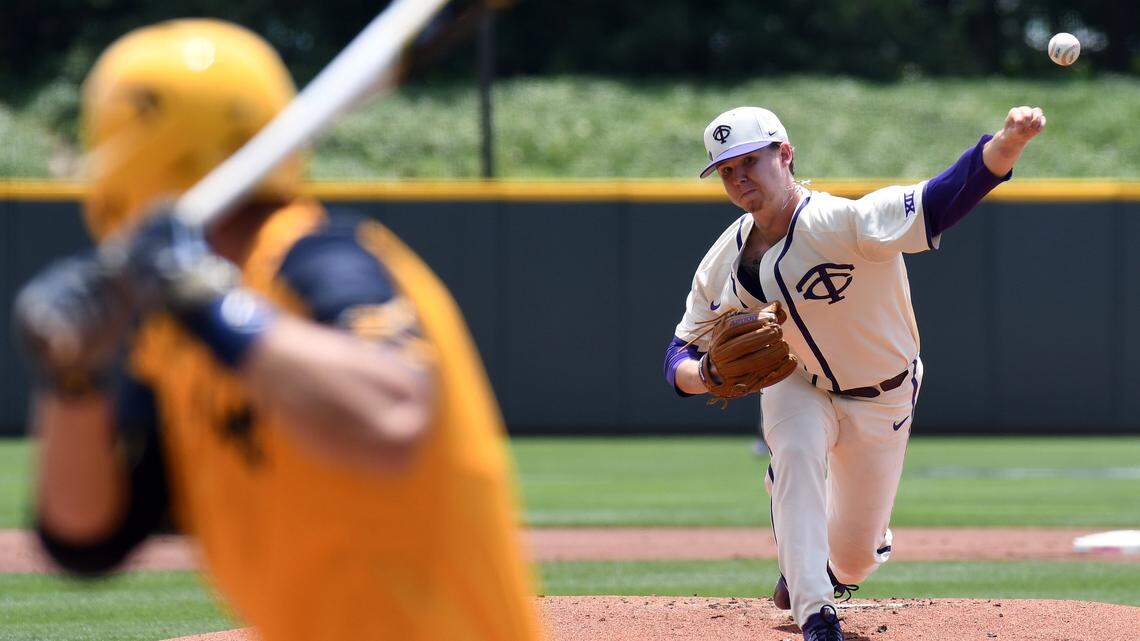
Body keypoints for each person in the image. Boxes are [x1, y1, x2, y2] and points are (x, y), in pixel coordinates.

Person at [15, 19, 542, 641]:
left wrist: (207, 304)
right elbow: (87, 539)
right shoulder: (173, 342)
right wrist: (72, 380)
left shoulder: (319, 259)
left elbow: (392, 416)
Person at [663, 105, 1045, 640]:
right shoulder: (722, 262)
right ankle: (816, 612)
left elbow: (942, 198)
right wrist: (704, 375)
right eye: (726, 169)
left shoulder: (845, 222)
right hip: (797, 385)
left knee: (856, 556)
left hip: (884, 395)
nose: (739, 177)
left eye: (750, 160)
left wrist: (1007, 143)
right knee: (794, 453)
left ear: (786, 155)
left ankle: (824, 571)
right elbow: (676, 355)